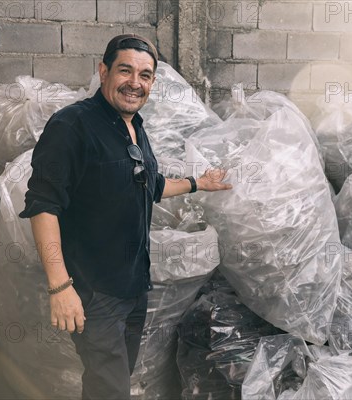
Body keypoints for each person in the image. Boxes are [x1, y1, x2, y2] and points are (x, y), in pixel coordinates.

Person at [19, 34, 232, 399]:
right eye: (125, 70)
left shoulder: (135, 127)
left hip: (134, 287)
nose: (135, 83)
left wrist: (198, 183)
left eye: (145, 75)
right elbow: (43, 206)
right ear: (103, 72)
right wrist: (60, 286)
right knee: (112, 389)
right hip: (94, 292)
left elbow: (149, 185)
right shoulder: (72, 126)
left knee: (110, 383)